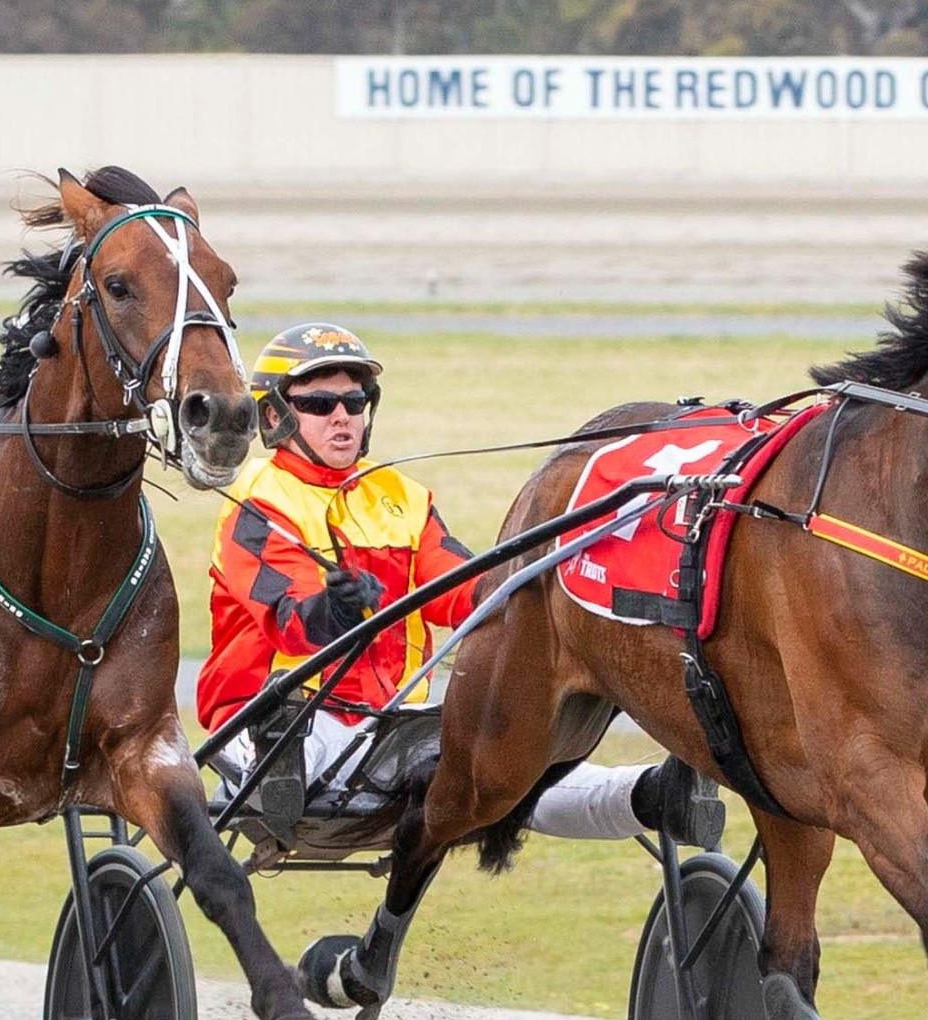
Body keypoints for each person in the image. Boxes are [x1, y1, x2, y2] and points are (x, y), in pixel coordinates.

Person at [199, 323, 696, 844]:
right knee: (320, 748)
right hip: (268, 714)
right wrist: (337, 611)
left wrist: (545, 592)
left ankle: (652, 794)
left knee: (500, 769)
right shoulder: (259, 505)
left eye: (356, 399)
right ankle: (282, 763)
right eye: (320, 403)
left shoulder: (403, 497)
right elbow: (294, 625)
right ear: (274, 415)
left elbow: (468, 594)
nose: (343, 415)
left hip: (386, 722)